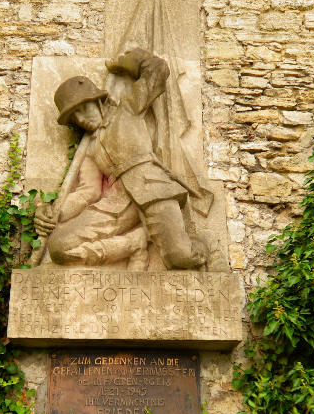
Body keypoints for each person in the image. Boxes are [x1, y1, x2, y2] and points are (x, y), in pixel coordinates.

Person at [35, 48, 208, 270]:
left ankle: (208, 244)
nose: (80, 119)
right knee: (59, 247)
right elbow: (88, 192)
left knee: (181, 258)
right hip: (115, 205)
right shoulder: (90, 147)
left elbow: (158, 72)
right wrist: (53, 212)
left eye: (82, 108)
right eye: (74, 116)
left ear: (97, 101)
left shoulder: (127, 109)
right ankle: (132, 244)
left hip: (153, 189)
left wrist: (132, 60)